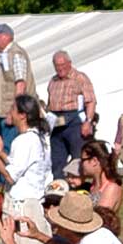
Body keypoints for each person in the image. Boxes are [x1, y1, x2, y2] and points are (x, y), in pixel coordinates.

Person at [0, 96, 53, 244]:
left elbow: (9, 176)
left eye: (13, 109)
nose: (10, 113)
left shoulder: (24, 140)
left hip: (22, 207)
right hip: (34, 202)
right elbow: (18, 164)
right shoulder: (39, 137)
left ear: (23, 115)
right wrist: (1, 152)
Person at [42, 50, 93, 180]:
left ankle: (79, 187)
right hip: (56, 122)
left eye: (62, 65)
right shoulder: (53, 81)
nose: (60, 68)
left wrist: (88, 121)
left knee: (78, 158)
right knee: (57, 160)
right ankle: (59, 187)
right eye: (57, 65)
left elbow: (91, 101)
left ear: (69, 63)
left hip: (74, 121)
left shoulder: (80, 78)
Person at [0, 22, 34, 107]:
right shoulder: (3, 54)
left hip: (9, 107)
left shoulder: (15, 53)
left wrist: (15, 108)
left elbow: (20, 83)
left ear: (7, 36)